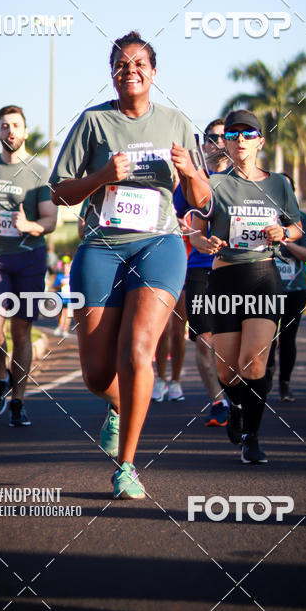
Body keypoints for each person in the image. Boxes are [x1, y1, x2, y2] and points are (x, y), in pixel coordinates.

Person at [50, 30, 210, 499]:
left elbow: (203, 202)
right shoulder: (93, 123)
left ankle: (127, 466)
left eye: (140, 63)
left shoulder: (178, 122)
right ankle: (118, 407)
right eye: (121, 64)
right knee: (98, 374)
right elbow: (59, 193)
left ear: (154, 72)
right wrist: (102, 176)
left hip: (159, 244)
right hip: (101, 247)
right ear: (113, 73)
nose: (131, 70)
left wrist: (192, 172)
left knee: (139, 348)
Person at [191, 110, 302, 464]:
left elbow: (297, 227)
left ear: (260, 141)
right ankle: (236, 405)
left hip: (263, 277)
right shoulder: (215, 182)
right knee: (227, 370)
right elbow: (193, 221)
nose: (240, 139)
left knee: (254, 363)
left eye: (248, 133)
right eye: (234, 133)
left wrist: (283, 233)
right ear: (225, 142)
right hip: (224, 280)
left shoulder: (278, 184)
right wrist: (200, 240)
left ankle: (251, 437)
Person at [0, 105, 57, 427]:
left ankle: (18, 402)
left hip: (29, 259)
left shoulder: (39, 170)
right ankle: (0, 374)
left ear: (25, 132)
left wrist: (29, 226)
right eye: (4, 126)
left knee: (21, 332)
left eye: (16, 126)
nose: (10, 131)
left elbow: (50, 220)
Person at [175, 119, 230, 425]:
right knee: (204, 339)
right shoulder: (192, 179)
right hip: (199, 268)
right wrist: (184, 227)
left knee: (232, 341)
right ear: (204, 144)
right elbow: (173, 213)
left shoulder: (242, 179)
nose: (218, 143)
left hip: (236, 268)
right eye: (212, 138)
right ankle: (218, 401)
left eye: (225, 137)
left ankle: (236, 392)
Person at [267, 173, 306, 401]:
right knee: (265, 335)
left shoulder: (302, 219)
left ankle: (285, 383)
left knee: (288, 337)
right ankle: (265, 375)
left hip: (295, 289)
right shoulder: (265, 216)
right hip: (266, 286)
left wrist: (285, 239)